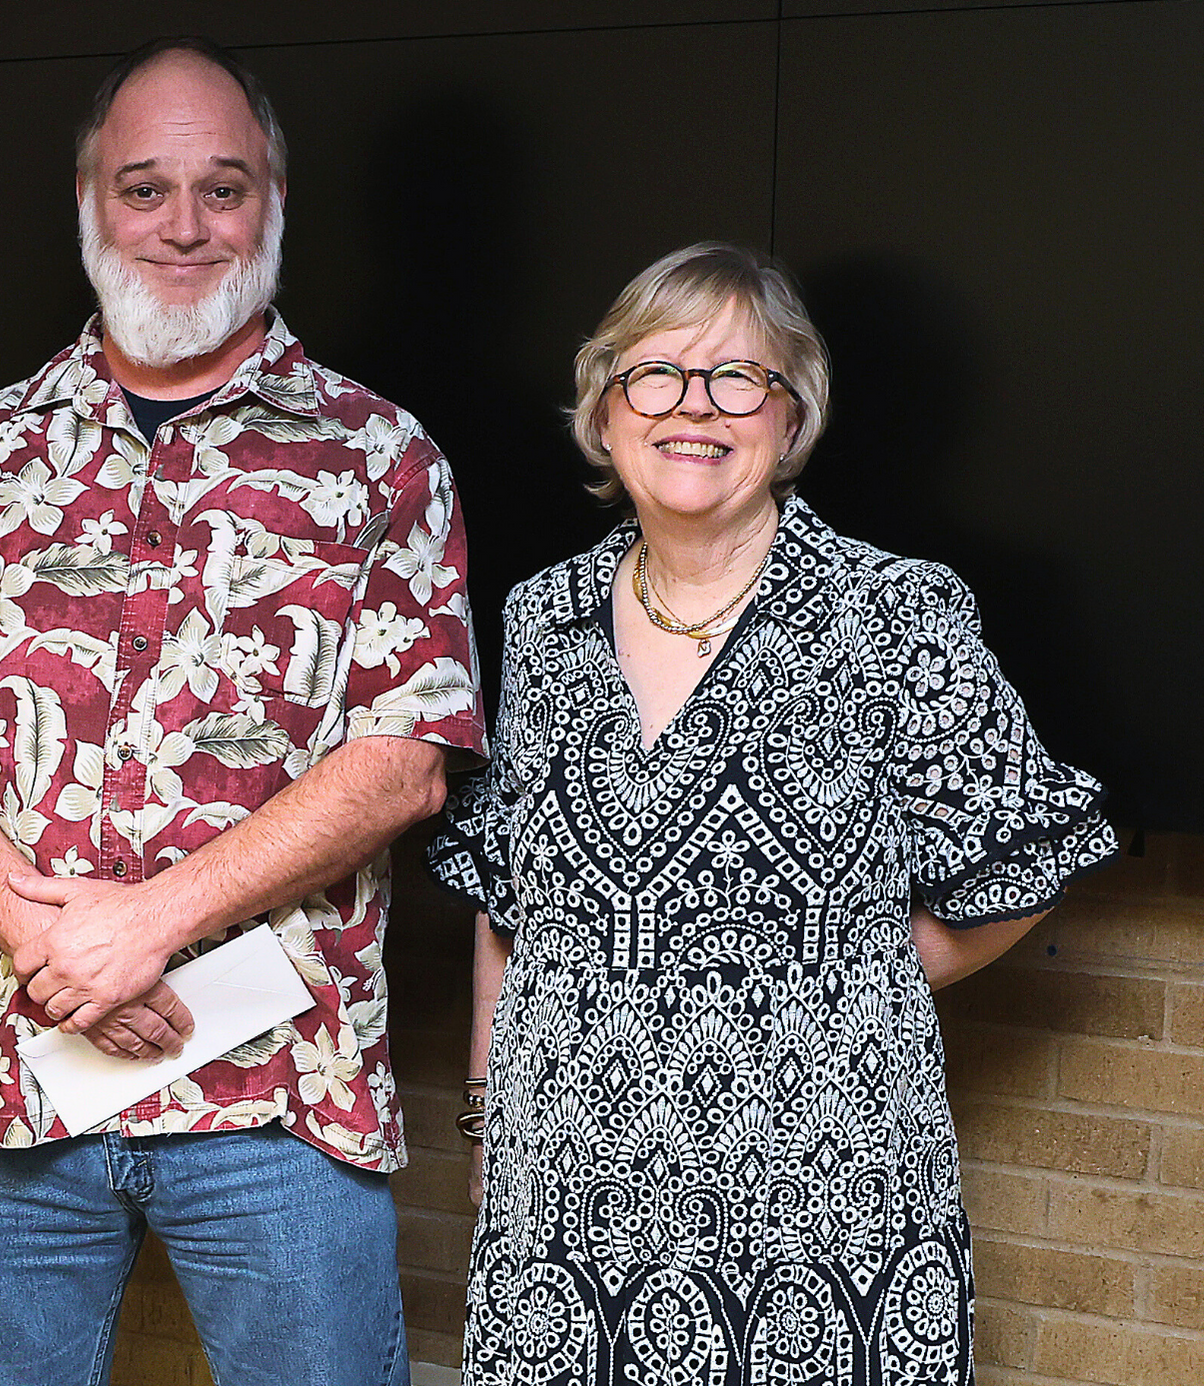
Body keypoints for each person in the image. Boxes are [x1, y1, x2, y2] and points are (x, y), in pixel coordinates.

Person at [0, 36, 485, 1386]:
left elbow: (405, 763)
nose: (183, 224)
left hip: (277, 1102)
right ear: (88, 202)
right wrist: (42, 934)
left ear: (276, 204)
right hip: (1, 1085)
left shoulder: (381, 457)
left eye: (222, 188)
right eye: (144, 188)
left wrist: (146, 928)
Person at [428, 242, 1117, 1385]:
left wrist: (827, 984)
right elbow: (510, 904)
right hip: (562, 1212)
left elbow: (1018, 872)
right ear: (604, 411)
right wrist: (484, 1113)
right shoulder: (539, 617)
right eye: (654, 374)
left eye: (737, 378)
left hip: (820, 1212)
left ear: (789, 418)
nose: (692, 408)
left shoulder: (891, 611)